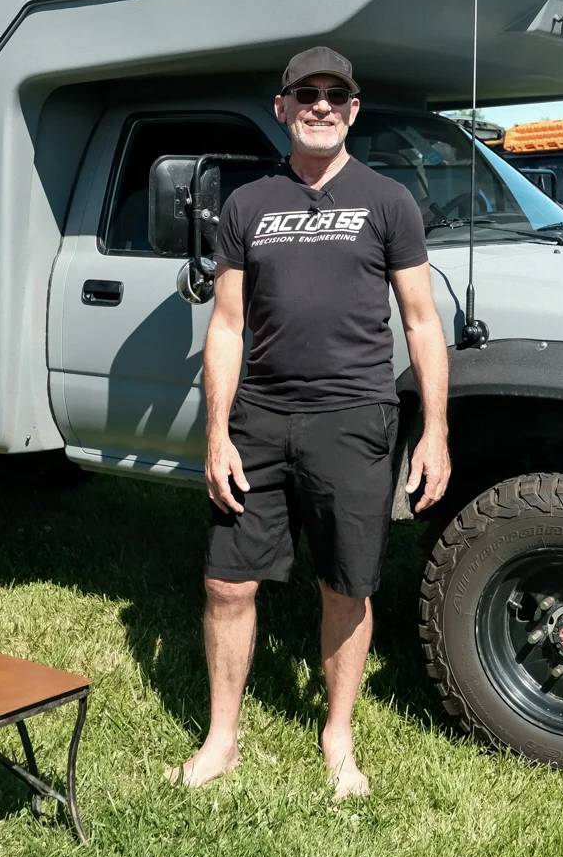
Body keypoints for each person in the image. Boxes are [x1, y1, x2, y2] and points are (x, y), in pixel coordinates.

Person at [170, 46, 450, 799]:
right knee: (228, 583)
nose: (321, 105)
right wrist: (218, 431)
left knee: (346, 587)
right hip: (260, 418)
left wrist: (435, 430)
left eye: (335, 94)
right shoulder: (247, 205)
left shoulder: (389, 201)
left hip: (355, 418)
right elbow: (226, 327)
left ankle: (338, 736)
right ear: (282, 107)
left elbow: (422, 323)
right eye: (307, 94)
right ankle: (221, 739)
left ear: (353, 110)